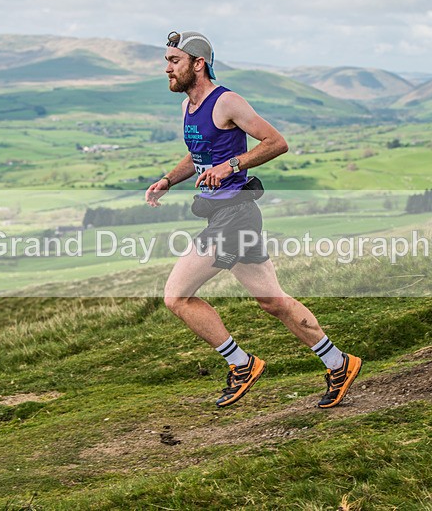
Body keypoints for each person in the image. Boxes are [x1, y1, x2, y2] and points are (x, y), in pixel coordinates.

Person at [145, 30, 362, 408]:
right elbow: (198, 156)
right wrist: (168, 180)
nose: (167, 68)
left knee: (176, 296)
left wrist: (232, 166)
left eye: (174, 61)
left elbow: (276, 142)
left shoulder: (226, 101)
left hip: (235, 214)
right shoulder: (188, 109)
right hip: (226, 215)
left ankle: (241, 364)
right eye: (167, 60)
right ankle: (338, 362)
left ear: (198, 64)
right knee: (272, 301)